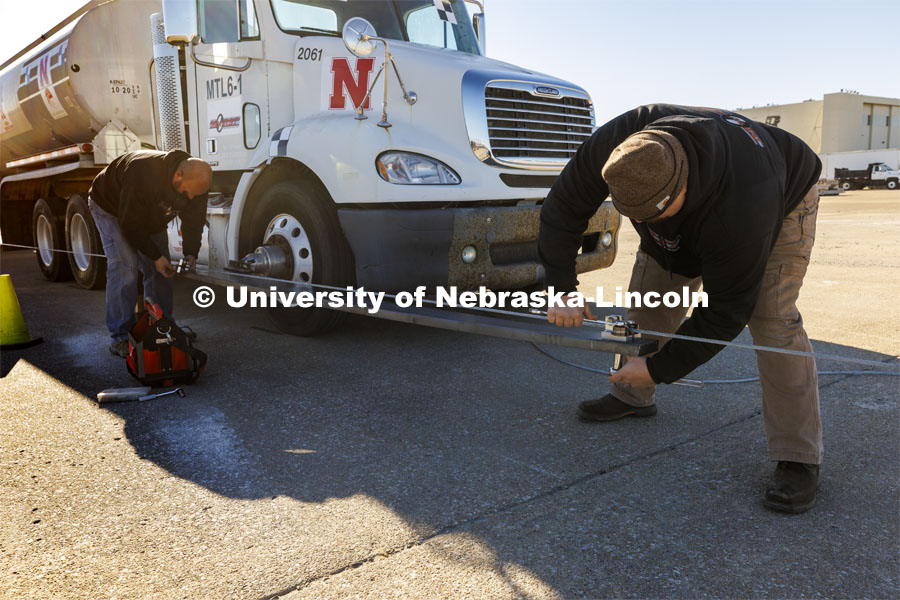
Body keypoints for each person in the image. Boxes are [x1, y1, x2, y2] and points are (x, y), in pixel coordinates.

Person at [538, 104, 822, 513]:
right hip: (709, 186)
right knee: (650, 296)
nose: (650, 226)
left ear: (683, 189)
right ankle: (631, 394)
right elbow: (562, 208)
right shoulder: (622, 146)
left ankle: (799, 456)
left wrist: (660, 368)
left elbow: (726, 312)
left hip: (785, 191)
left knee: (772, 319)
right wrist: (561, 288)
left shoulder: (746, 204)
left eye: (657, 215)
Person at [88, 150, 211, 357]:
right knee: (125, 266)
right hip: (111, 208)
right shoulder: (143, 172)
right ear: (178, 175)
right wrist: (155, 256)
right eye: (186, 192)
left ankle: (164, 328)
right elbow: (129, 223)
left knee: (164, 270)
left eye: (195, 195)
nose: (190, 198)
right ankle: (120, 336)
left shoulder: (197, 182)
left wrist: (191, 253)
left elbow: (194, 220)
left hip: (149, 215)